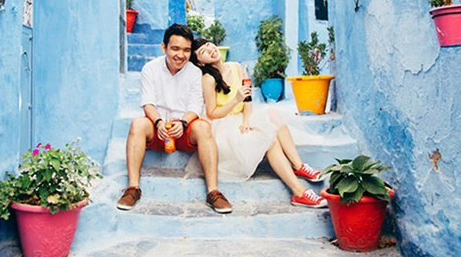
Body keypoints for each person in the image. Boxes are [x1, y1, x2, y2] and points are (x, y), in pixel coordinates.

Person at [190, 37, 327, 208]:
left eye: (209, 45)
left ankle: (298, 166)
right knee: (270, 140)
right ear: (200, 63)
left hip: (242, 117)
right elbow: (212, 113)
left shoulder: (237, 67)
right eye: (203, 51)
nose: (210, 49)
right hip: (222, 125)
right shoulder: (208, 79)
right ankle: (299, 191)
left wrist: (246, 120)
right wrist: (235, 100)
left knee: (275, 116)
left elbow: (247, 101)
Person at [116, 24, 233, 214]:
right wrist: (158, 122)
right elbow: (148, 103)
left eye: (187, 50)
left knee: (203, 128)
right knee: (138, 124)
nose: (181, 55)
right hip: (158, 128)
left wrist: (183, 123)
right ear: (164, 47)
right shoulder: (150, 69)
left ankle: (214, 192)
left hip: (183, 128)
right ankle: (132, 188)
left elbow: (196, 106)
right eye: (175, 48)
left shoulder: (195, 72)